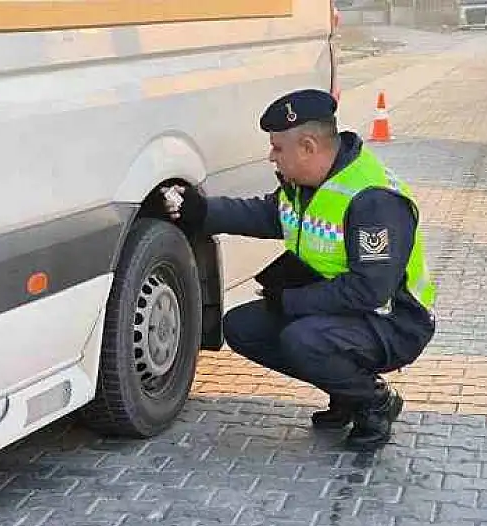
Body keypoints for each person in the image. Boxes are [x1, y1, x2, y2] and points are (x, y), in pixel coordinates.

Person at [162, 88, 437, 451]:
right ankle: (345, 391)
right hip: (345, 312)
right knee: (242, 327)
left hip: (394, 321)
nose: (271, 156)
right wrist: (202, 212)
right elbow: (265, 214)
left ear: (307, 146)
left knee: (302, 339)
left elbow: (369, 291)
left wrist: (290, 301)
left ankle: (373, 402)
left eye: (278, 148)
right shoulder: (306, 185)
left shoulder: (372, 200)